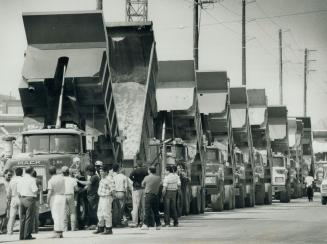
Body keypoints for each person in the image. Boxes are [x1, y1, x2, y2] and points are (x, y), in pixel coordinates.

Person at [17, 166, 38, 240]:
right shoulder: (32, 180)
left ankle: (21, 235)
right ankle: (27, 235)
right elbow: (35, 190)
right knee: (29, 218)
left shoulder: (20, 179)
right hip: (29, 199)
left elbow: (18, 192)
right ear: (32, 171)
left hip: (22, 198)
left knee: (22, 218)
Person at [93, 165, 115, 235]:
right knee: (100, 213)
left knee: (106, 213)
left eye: (102, 171)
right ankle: (101, 227)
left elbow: (113, 190)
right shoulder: (102, 179)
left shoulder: (110, 179)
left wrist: (112, 199)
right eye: (100, 171)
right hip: (101, 197)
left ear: (106, 172)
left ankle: (109, 229)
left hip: (107, 197)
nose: (100, 173)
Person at [77, 165, 99, 230]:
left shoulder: (94, 177)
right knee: (90, 210)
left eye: (87, 172)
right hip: (90, 197)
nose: (87, 173)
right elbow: (87, 187)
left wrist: (78, 181)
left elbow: (88, 183)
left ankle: (94, 224)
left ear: (91, 171)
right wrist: (81, 190)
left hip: (93, 197)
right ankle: (92, 224)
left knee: (93, 210)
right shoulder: (92, 177)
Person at [47, 166, 66, 238]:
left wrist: (47, 201)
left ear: (49, 172)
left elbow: (49, 192)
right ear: (55, 171)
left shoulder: (51, 180)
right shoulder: (62, 178)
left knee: (55, 215)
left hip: (55, 197)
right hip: (62, 196)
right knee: (61, 215)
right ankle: (61, 232)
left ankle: (57, 232)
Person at [141, 166, 161, 230]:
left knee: (147, 210)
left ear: (149, 171)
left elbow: (142, 184)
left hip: (148, 195)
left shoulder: (146, 177)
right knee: (156, 211)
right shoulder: (158, 178)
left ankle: (145, 225)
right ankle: (158, 225)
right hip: (156, 195)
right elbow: (160, 185)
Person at [129, 160, 148, 227]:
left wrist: (135, 181)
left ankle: (135, 222)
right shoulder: (145, 171)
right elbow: (147, 178)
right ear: (142, 164)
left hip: (136, 189)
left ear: (137, 164)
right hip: (143, 188)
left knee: (136, 206)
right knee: (143, 206)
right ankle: (143, 221)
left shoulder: (135, 171)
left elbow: (130, 177)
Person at [7, 167, 23, 235]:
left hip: (13, 198)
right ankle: (21, 231)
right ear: (22, 173)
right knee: (21, 216)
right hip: (21, 198)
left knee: (12, 216)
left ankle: (10, 231)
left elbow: (8, 192)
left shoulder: (12, 180)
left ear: (15, 173)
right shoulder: (23, 180)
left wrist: (9, 199)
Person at [62, 166, 77, 231]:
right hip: (70, 195)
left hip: (63, 195)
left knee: (64, 212)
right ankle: (73, 228)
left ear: (63, 173)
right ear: (68, 172)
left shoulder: (61, 179)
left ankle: (65, 228)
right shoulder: (73, 179)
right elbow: (76, 189)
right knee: (72, 212)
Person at [0, 169, 12, 234]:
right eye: (8, 175)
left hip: (9, 201)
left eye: (11, 175)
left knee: (8, 216)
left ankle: (4, 228)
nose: (9, 176)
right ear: (4, 174)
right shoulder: (1, 182)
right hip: (2, 201)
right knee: (1, 216)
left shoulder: (11, 182)